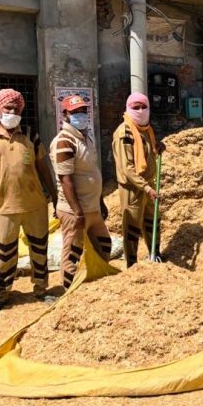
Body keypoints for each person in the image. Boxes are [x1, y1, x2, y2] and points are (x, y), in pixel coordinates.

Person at [0, 88, 57, 309]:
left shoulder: (30, 135)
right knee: (3, 254)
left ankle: (41, 290)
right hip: (3, 207)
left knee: (39, 249)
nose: (12, 111)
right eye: (8, 107)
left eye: (16, 108)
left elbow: (43, 168)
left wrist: (54, 196)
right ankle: (3, 294)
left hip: (35, 205)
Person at [50, 94, 111, 291]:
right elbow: (65, 179)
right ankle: (70, 293)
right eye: (76, 112)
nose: (81, 115)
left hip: (91, 207)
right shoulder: (64, 141)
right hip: (75, 211)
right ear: (66, 114)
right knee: (73, 253)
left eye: (83, 111)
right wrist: (77, 212)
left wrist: (100, 202)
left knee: (104, 245)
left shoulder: (86, 136)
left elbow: (93, 171)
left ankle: (96, 284)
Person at [112, 93, 164, 267]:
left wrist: (157, 148)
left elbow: (147, 153)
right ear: (128, 109)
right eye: (136, 107)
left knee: (152, 221)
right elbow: (127, 168)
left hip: (148, 184)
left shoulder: (146, 129)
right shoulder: (125, 131)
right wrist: (146, 188)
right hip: (132, 188)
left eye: (143, 107)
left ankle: (155, 254)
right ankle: (132, 263)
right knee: (132, 227)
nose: (140, 111)